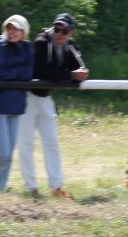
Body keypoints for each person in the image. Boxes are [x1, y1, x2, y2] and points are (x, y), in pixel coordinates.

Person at [20, 12, 87, 199]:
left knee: (52, 142)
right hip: (27, 96)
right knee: (26, 143)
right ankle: (31, 187)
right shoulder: (41, 41)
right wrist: (71, 75)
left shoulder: (70, 45)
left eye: (64, 31)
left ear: (71, 33)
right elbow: (43, 71)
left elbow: (78, 67)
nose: (60, 33)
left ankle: (56, 187)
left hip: (44, 97)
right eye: (57, 29)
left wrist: (79, 72)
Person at [0, 14, 35, 195]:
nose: (11, 32)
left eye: (16, 29)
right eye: (9, 28)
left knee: (9, 154)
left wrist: (13, 74)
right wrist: (17, 74)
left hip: (16, 106)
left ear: (23, 31)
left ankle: (0, 190)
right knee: (2, 152)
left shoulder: (27, 48)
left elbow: (28, 73)